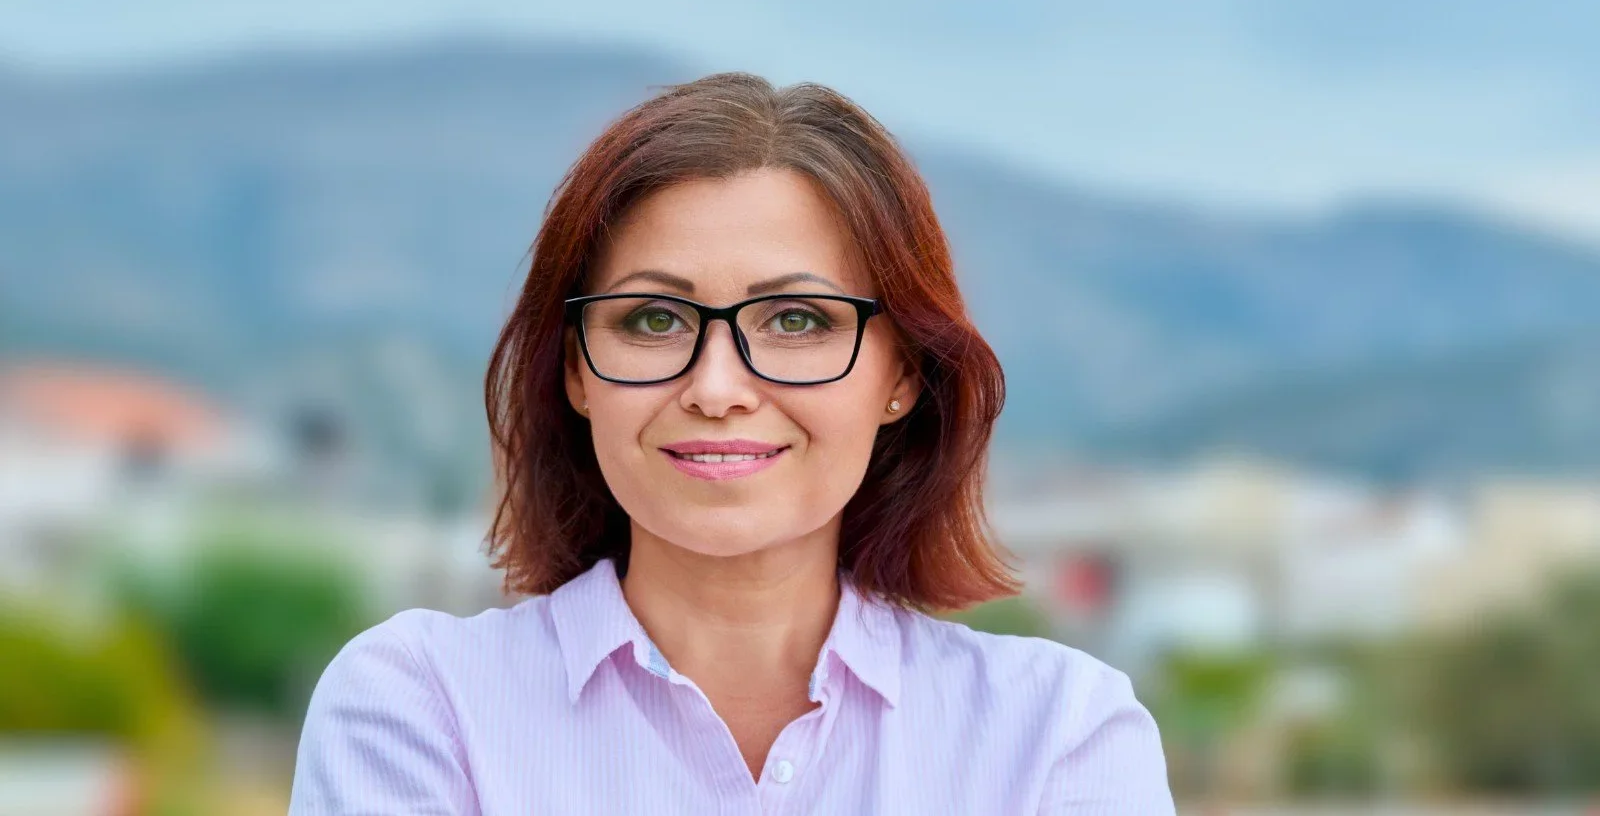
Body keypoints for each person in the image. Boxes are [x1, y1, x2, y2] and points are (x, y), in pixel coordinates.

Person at [288, 72, 1176, 814]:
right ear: (575, 372)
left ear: (902, 375)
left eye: (796, 319)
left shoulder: (1058, 736)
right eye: (653, 318)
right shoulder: (418, 705)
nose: (716, 389)